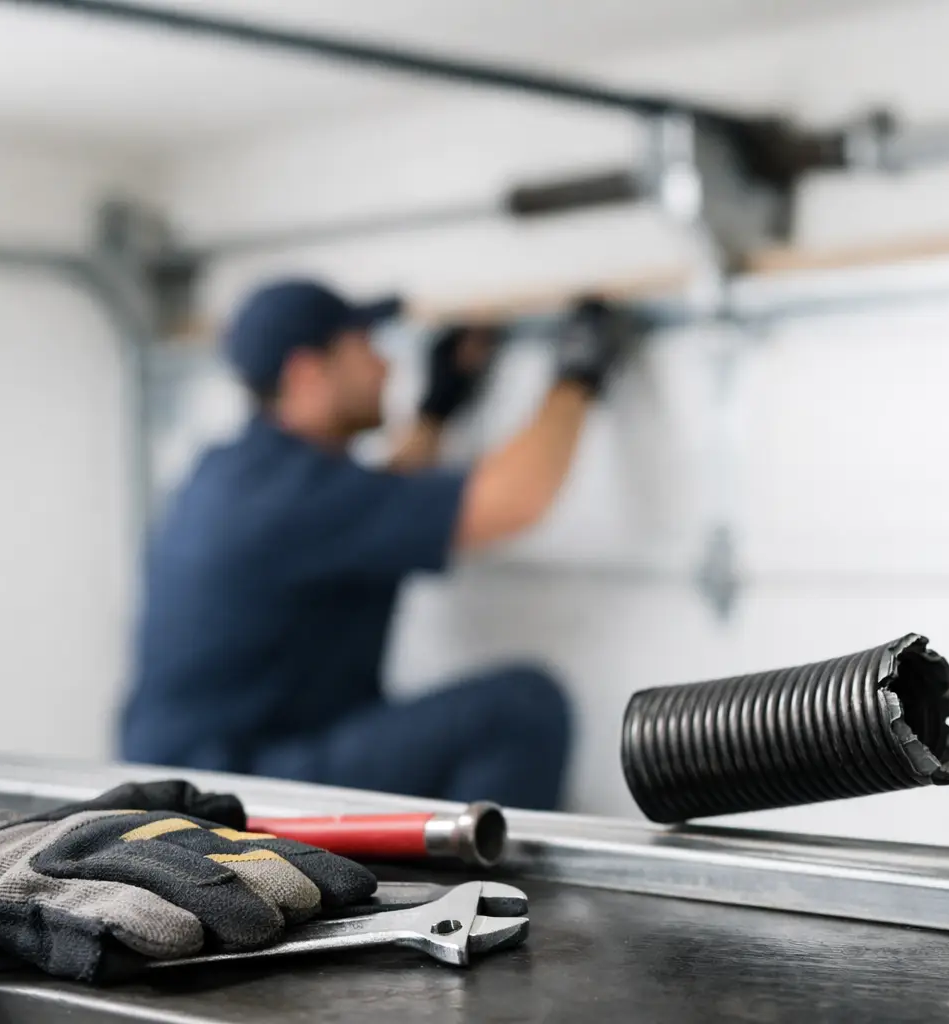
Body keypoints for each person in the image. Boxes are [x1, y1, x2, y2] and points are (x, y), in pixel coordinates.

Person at [120, 278, 636, 809]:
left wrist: (437, 410)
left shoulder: (242, 474)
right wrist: (578, 372)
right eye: (363, 347)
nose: (385, 366)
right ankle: (483, 894)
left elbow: (372, 505)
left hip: (193, 783)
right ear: (308, 373)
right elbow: (515, 500)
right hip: (237, 794)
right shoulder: (295, 497)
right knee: (523, 710)